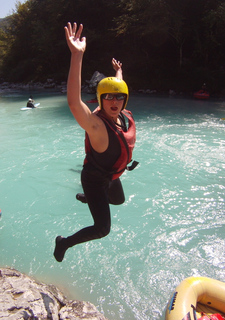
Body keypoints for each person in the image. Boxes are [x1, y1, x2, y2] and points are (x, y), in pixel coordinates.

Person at [53, 22, 138, 262]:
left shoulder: (120, 113)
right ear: (101, 99)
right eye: (108, 97)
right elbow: (73, 102)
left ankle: (90, 198)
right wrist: (77, 55)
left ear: (124, 99)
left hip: (111, 174)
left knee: (119, 200)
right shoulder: (97, 125)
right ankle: (64, 243)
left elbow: (117, 89)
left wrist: (118, 72)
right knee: (102, 229)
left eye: (119, 97)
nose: (114, 101)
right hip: (94, 177)